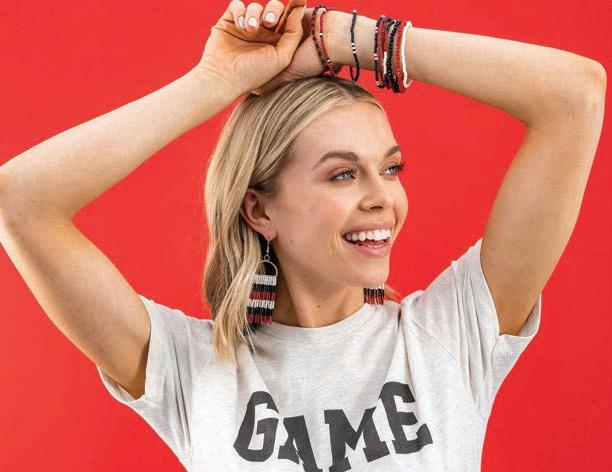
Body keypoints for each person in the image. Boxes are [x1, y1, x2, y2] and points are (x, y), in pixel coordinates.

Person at [0, 0, 605, 470]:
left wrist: (348, 38)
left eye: (391, 168)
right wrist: (216, 80)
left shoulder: (449, 336)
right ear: (258, 210)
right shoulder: (191, 370)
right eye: (342, 173)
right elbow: (20, 200)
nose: (382, 197)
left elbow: (574, 95)